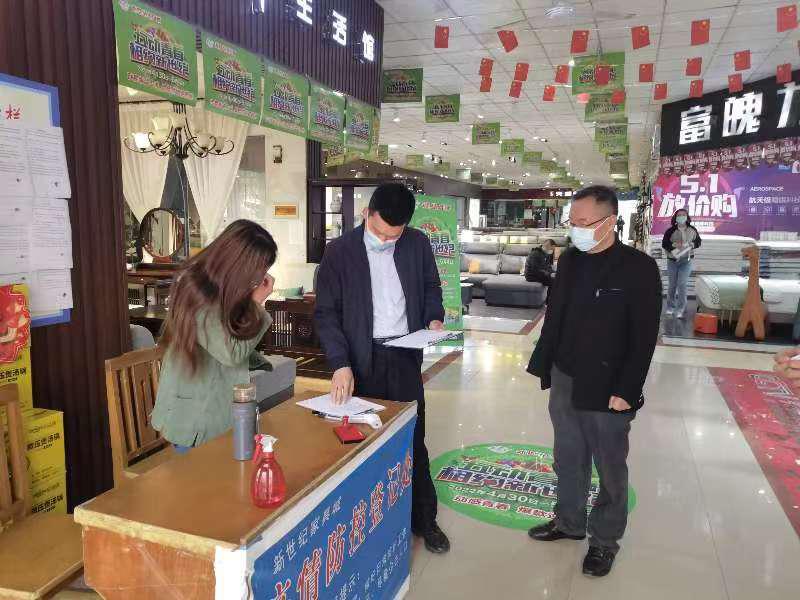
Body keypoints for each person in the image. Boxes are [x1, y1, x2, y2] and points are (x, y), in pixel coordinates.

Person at [526, 186, 662, 577]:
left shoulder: (638, 268)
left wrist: (627, 390)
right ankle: (569, 521)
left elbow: (643, 336)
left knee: (609, 465)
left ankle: (604, 540)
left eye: (584, 222)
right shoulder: (570, 259)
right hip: (565, 376)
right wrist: (546, 365)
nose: (577, 229)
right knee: (568, 456)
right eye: (573, 221)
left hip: (608, 385)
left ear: (610, 222)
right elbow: (555, 315)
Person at [314, 183, 450, 554]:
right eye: (380, 233)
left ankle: (424, 519)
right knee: (361, 442)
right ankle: (366, 521)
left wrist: (433, 318)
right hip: (361, 360)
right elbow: (326, 314)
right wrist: (340, 363)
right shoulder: (339, 252)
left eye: (394, 235)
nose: (387, 240)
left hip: (404, 355)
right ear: (366, 214)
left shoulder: (417, 243)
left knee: (412, 439)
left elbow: (431, 287)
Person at [151, 220, 277, 452]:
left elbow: (230, 335)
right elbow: (230, 353)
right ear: (239, 264)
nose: (260, 278)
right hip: (195, 420)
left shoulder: (218, 286)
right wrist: (257, 304)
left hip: (214, 409)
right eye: (259, 270)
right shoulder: (197, 292)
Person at [661, 209, 702, 319]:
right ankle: (670, 307)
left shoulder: (692, 230)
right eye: (679, 215)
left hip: (686, 261)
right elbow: (664, 244)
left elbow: (698, 242)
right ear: (675, 217)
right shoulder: (670, 231)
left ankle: (680, 309)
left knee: (682, 284)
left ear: (687, 217)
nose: (681, 217)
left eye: (683, 215)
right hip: (672, 261)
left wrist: (692, 244)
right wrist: (674, 245)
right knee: (672, 285)